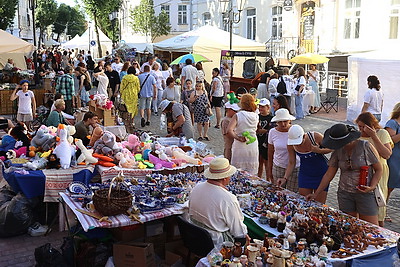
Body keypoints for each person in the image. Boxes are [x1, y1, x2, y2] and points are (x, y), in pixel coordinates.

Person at [307, 123, 382, 225]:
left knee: (370, 226)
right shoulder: (338, 150)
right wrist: (316, 193)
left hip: (365, 193)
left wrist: (372, 186)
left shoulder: (365, 146)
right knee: (349, 225)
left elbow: (378, 169)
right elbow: (329, 175)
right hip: (345, 193)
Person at [188, 157, 248, 247]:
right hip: (213, 243)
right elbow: (238, 232)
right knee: (243, 239)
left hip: (193, 236)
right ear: (225, 178)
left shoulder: (197, 187)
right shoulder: (228, 199)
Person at [356, 112, 392, 226]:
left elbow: (387, 154)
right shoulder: (358, 135)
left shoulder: (382, 133)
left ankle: (380, 229)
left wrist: (374, 136)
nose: (361, 129)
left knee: (378, 203)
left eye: (363, 127)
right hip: (362, 171)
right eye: (359, 126)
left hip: (379, 171)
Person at [285, 125, 331, 203]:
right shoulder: (290, 144)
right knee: (304, 202)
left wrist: (319, 151)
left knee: (319, 204)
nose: (297, 145)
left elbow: (332, 148)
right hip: (305, 174)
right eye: (295, 143)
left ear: (304, 136)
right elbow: (292, 162)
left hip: (321, 174)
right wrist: (285, 178)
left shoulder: (315, 137)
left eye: (299, 142)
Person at [267, 108, 299, 192]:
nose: (283, 124)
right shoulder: (272, 132)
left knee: (292, 194)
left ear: (289, 120)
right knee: (278, 192)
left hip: (295, 168)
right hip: (278, 166)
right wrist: (269, 170)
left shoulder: (295, 130)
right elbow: (270, 152)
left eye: (285, 121)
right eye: (280, 122)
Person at [228, 94, 259, 175]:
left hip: (240, 145)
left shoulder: (238, 115)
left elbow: (229, 130)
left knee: (237, 171)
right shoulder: (256, 116)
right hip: (252, 144)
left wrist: (238, 138)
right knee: (251, 171)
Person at [384, 102, 400, 222]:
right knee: (388, 186)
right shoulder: (392, 123)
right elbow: (390, 141)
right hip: (393, 157)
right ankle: (382, 211)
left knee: (392, 187)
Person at [256, 98, 274, 180]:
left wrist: (265, 130)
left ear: (268, 107)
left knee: (267, 163)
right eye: (260, 107)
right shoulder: (256, 117)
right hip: (258, 142)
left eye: (263, 107)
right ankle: (259, 178)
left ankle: (268, 180)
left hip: (267, 143)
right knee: (259, 162)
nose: (260, 109)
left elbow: (273, 130)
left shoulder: (272, 118)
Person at [120, 67, 140, 133]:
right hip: (133, 95)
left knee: (126, 109)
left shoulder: (124, 78)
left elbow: (121, 87)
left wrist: (121, 93)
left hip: (125, 95)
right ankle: (132, 122)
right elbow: (138, 88)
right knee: (133, 109)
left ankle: (126, 122)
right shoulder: (136, 78)